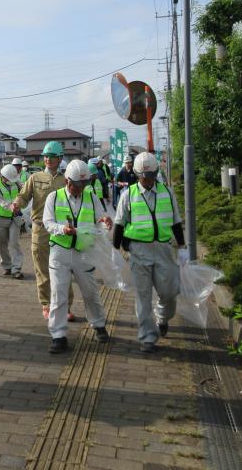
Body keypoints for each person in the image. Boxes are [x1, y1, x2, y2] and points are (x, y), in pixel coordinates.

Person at [112, 152, 186, 353]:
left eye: (151, 175)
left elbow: (176, 222)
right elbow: (119, 224)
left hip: (163, 250)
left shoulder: (167, 193)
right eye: (143, 176)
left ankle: (163, 316)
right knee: (143, 296)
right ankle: (147, 337)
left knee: (169, 292)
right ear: (137, 174)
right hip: (138, 251)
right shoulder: (128, 195)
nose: (147, 180)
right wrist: (115, 251)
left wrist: (182, 247)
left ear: (156, 173)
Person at [43, 160, 112, 353]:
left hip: (84, 251)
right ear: (67, 181)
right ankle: (58, 336)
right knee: (59, 295)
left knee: (90, 292)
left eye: (83, 185)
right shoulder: (53, 198)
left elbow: (100, 220)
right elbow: (47, 223)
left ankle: (99, 325)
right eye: (76, 185)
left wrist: (106, 220)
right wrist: (62, 229)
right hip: (60, 252)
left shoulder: (91, 198)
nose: (80, 189)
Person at [12, 141, 76, 321]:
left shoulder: (66, 180)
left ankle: (66, 306)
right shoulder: (35, 177)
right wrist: (16, 204)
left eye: (52, 156)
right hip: (40, 229)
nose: (48, 159)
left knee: (64, 269)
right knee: (42, 270)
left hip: (62, 230)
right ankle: (47, 304)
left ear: (60, 158)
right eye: (46, 156)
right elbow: (23, 196)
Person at [0, 164, 24, 279]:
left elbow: (23, 193)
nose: (12, 181)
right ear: (3, 176)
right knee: (2, 244)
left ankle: (17, 269)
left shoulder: (17, 182)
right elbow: (0, 200)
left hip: (15, 218)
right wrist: (10, 206)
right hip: (0, 218)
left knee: (14, 243)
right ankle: (7, 266)